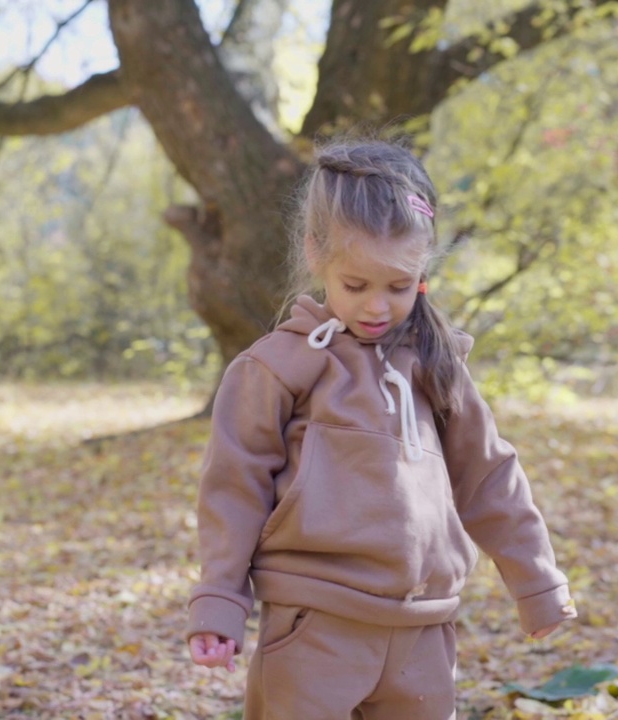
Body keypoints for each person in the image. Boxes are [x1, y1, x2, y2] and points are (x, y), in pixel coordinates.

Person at [186, 139, 577, 719]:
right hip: (314, 627)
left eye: (399, 287)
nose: (377, 306)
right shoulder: (275, 368)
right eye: (356, 285)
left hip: (423, 632)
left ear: (423, 268)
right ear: (316, 253)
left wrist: (537, 581)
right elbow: (233, 489)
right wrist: (219, 602)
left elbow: (489, 475)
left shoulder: (437, 365)